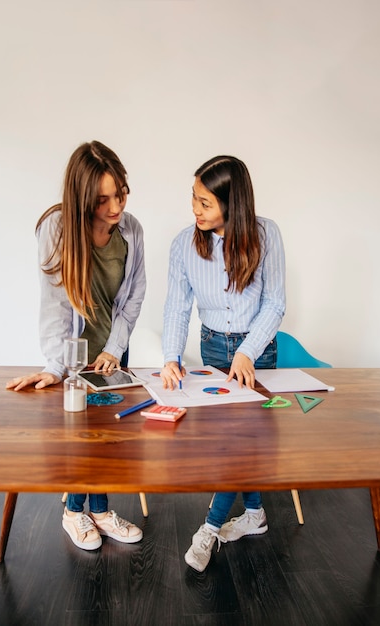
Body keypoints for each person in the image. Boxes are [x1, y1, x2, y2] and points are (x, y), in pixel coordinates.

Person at [6, 140, 146, 551]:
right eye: (103, 200)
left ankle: (100, 511)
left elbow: (134, 296)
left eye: (120, 193)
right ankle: (73, 513)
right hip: (72, 355)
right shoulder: (56, 229)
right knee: (76, 439)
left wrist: (114, 350)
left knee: (107, 438)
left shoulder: (131, 230)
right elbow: (52, 303)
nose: (116, 206)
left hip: (112, 353)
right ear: (83, 198)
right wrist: (55, 366)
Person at [160, 155, 286, 572]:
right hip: (212, 349)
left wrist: (247, 351)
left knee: (238, 443)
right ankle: (254, 515)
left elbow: (275, 303)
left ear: (232, 204)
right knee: (229, 445)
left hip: (257, 351)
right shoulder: (184, 243)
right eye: (193, 198)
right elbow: (178, 307)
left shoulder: (268, 235)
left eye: (206, 203)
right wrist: (171, 358)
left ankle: (210, 527)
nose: (195, 209)